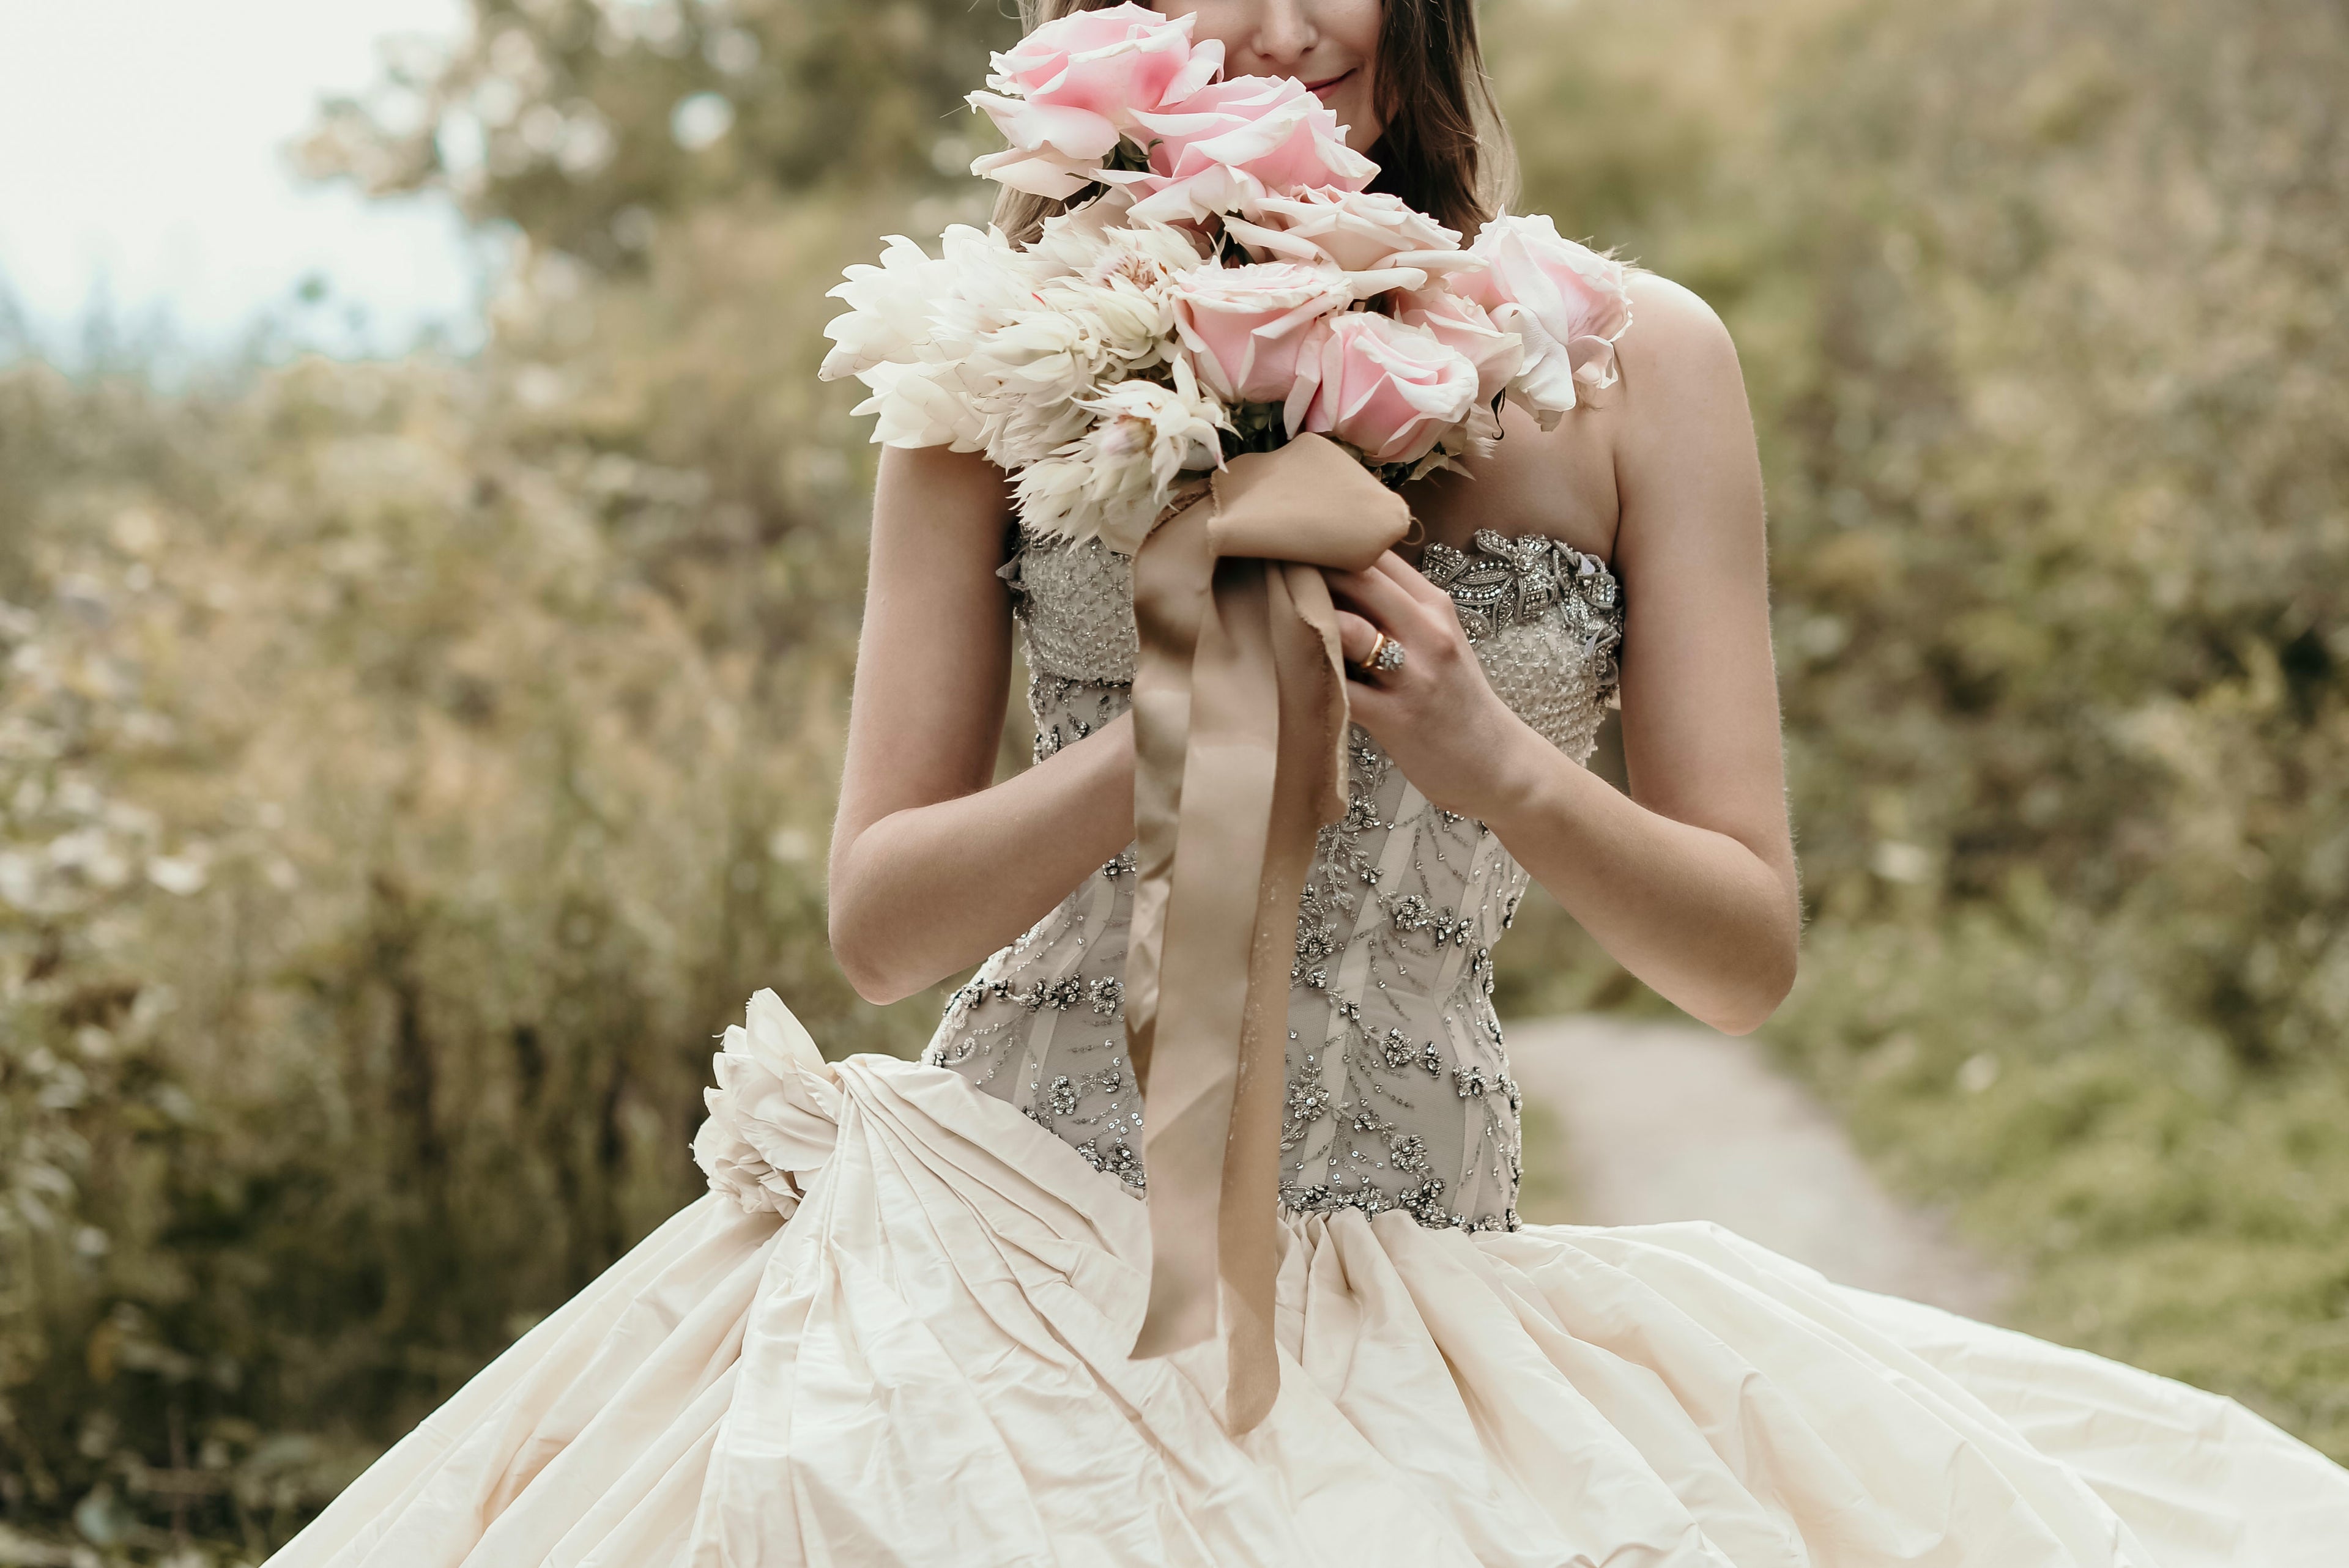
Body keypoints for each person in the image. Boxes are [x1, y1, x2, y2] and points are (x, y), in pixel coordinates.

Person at [266, 1, 2349, 1563]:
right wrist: (1164, 732)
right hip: (1006, 1242)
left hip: (1416, 1259)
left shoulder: (1640, 362)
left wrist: (1486, 754)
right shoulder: (985, 364)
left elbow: (1743, 958)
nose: (1280, 20)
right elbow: (883, 918)